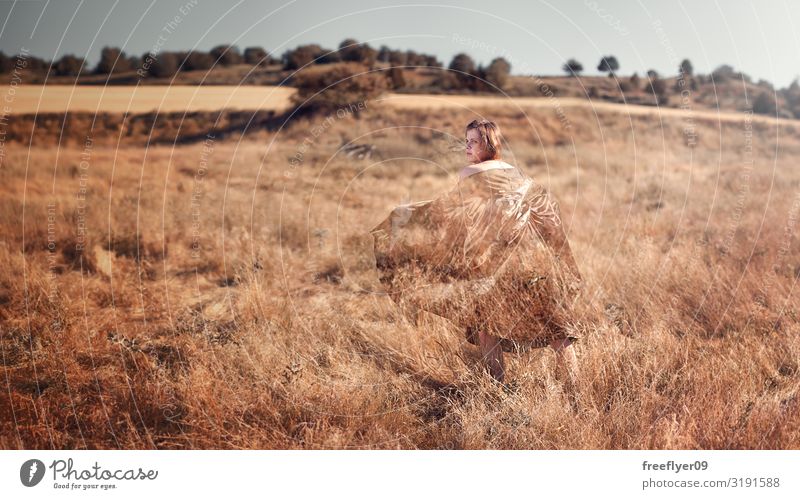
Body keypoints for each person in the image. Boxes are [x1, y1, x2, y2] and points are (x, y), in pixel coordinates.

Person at [371, 119, 583, 386]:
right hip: (533, 260)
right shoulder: (516, 173)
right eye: (466, 141)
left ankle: (498, 390)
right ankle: (575, 395)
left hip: (494, 265)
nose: (467, 147)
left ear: (488, 144)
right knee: (557, 330)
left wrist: (406, 216)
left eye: (472, 141)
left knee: (486, 329)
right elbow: (546, 211)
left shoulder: (470, 173)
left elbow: (447, 214)